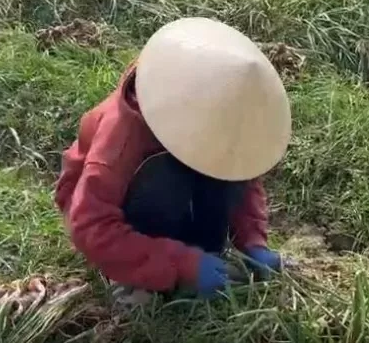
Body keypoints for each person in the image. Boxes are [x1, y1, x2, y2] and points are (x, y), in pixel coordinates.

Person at [54, 17, 291, 307]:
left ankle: (203, 255)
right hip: (113, 225)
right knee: (163, 174)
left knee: (223, 163)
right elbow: (90, 226)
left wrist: (253, 242)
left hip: (176, 211)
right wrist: (182, 265)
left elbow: (240, 171)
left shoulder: (215, 124)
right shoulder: (124, 133)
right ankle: (133, 275)